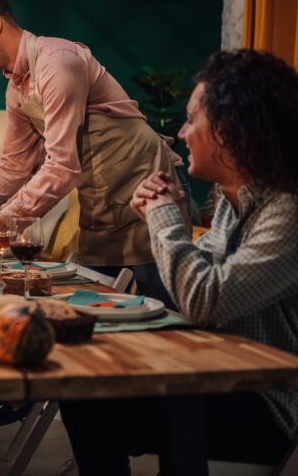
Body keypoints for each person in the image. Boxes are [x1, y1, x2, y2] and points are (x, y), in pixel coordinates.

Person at [61, 49, 298, 474]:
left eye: (192, 119)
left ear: (231, 130)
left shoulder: (287, 212)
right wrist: (165, 216)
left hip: (266, 403)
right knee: (84, 391)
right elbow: (188, 281)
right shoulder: (233, 199)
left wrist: (165, 214)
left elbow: (203, 298)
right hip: (213, 374)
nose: (182, 132)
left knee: (123, 405)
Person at [0, 0, 186, 302]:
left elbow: (62, 167)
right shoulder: (16, 89)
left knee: (163, 312)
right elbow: (13, 169)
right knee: (103, 309)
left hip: (147, 191)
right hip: (99, 202)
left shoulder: (57, 61)